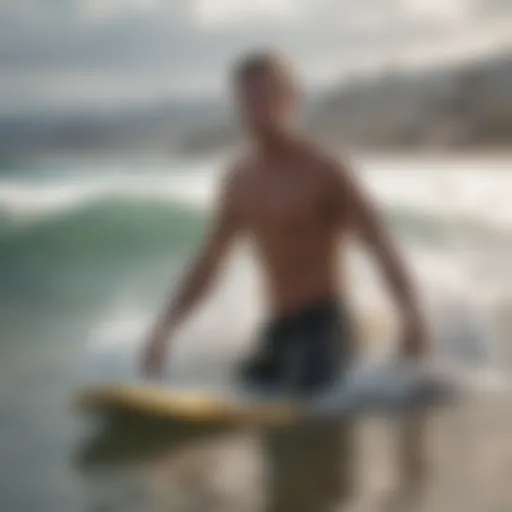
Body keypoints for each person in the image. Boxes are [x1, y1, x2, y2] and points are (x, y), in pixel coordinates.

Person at [141, 51, 429, 511]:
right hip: (278, 330)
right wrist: (166, 328)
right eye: (248, 100)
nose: (258, 111)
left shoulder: (325, 170)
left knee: (302, 414)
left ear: (292, 101)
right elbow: (208, 264)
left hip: (326, 322)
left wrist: (414, 318)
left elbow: (380, 243)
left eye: (269, 97)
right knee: (247, 393)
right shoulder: (239, 180)